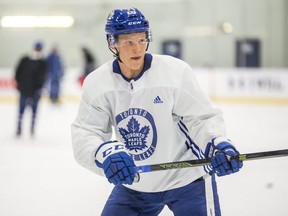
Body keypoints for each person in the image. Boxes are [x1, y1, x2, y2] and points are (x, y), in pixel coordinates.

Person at [71, 8, 243, 216]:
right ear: (112, 43)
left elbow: (201, 118)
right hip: (136, 185)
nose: (137, 49)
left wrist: (217, 144)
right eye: (128, 42)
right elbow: (86, 132)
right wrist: (105, 153)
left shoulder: (174, 72)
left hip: (188, 180)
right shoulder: (98, 83)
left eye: (142, 40)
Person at [15, 41, 47, 136]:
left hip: (35, 91)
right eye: (36, 49)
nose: (37, 51)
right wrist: (19, 85)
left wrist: (39, 88)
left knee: (34, 110)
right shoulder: (24, 60)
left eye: (39, 49)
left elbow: (43, 77)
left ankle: (32, 128)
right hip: (24, 90)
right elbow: (17, 72)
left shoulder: (43, 63)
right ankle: (19, 128)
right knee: (21, 110)